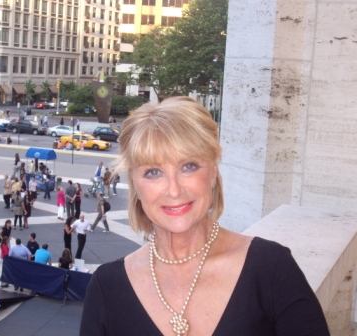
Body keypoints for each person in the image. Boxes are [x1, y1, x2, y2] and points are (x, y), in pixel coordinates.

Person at [80, 97, 330, 335]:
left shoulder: (271, 268)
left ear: (212, 172)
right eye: (153, 172)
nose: (174, 190)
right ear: (135, 183)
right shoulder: (107, 287)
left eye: (188, 166)